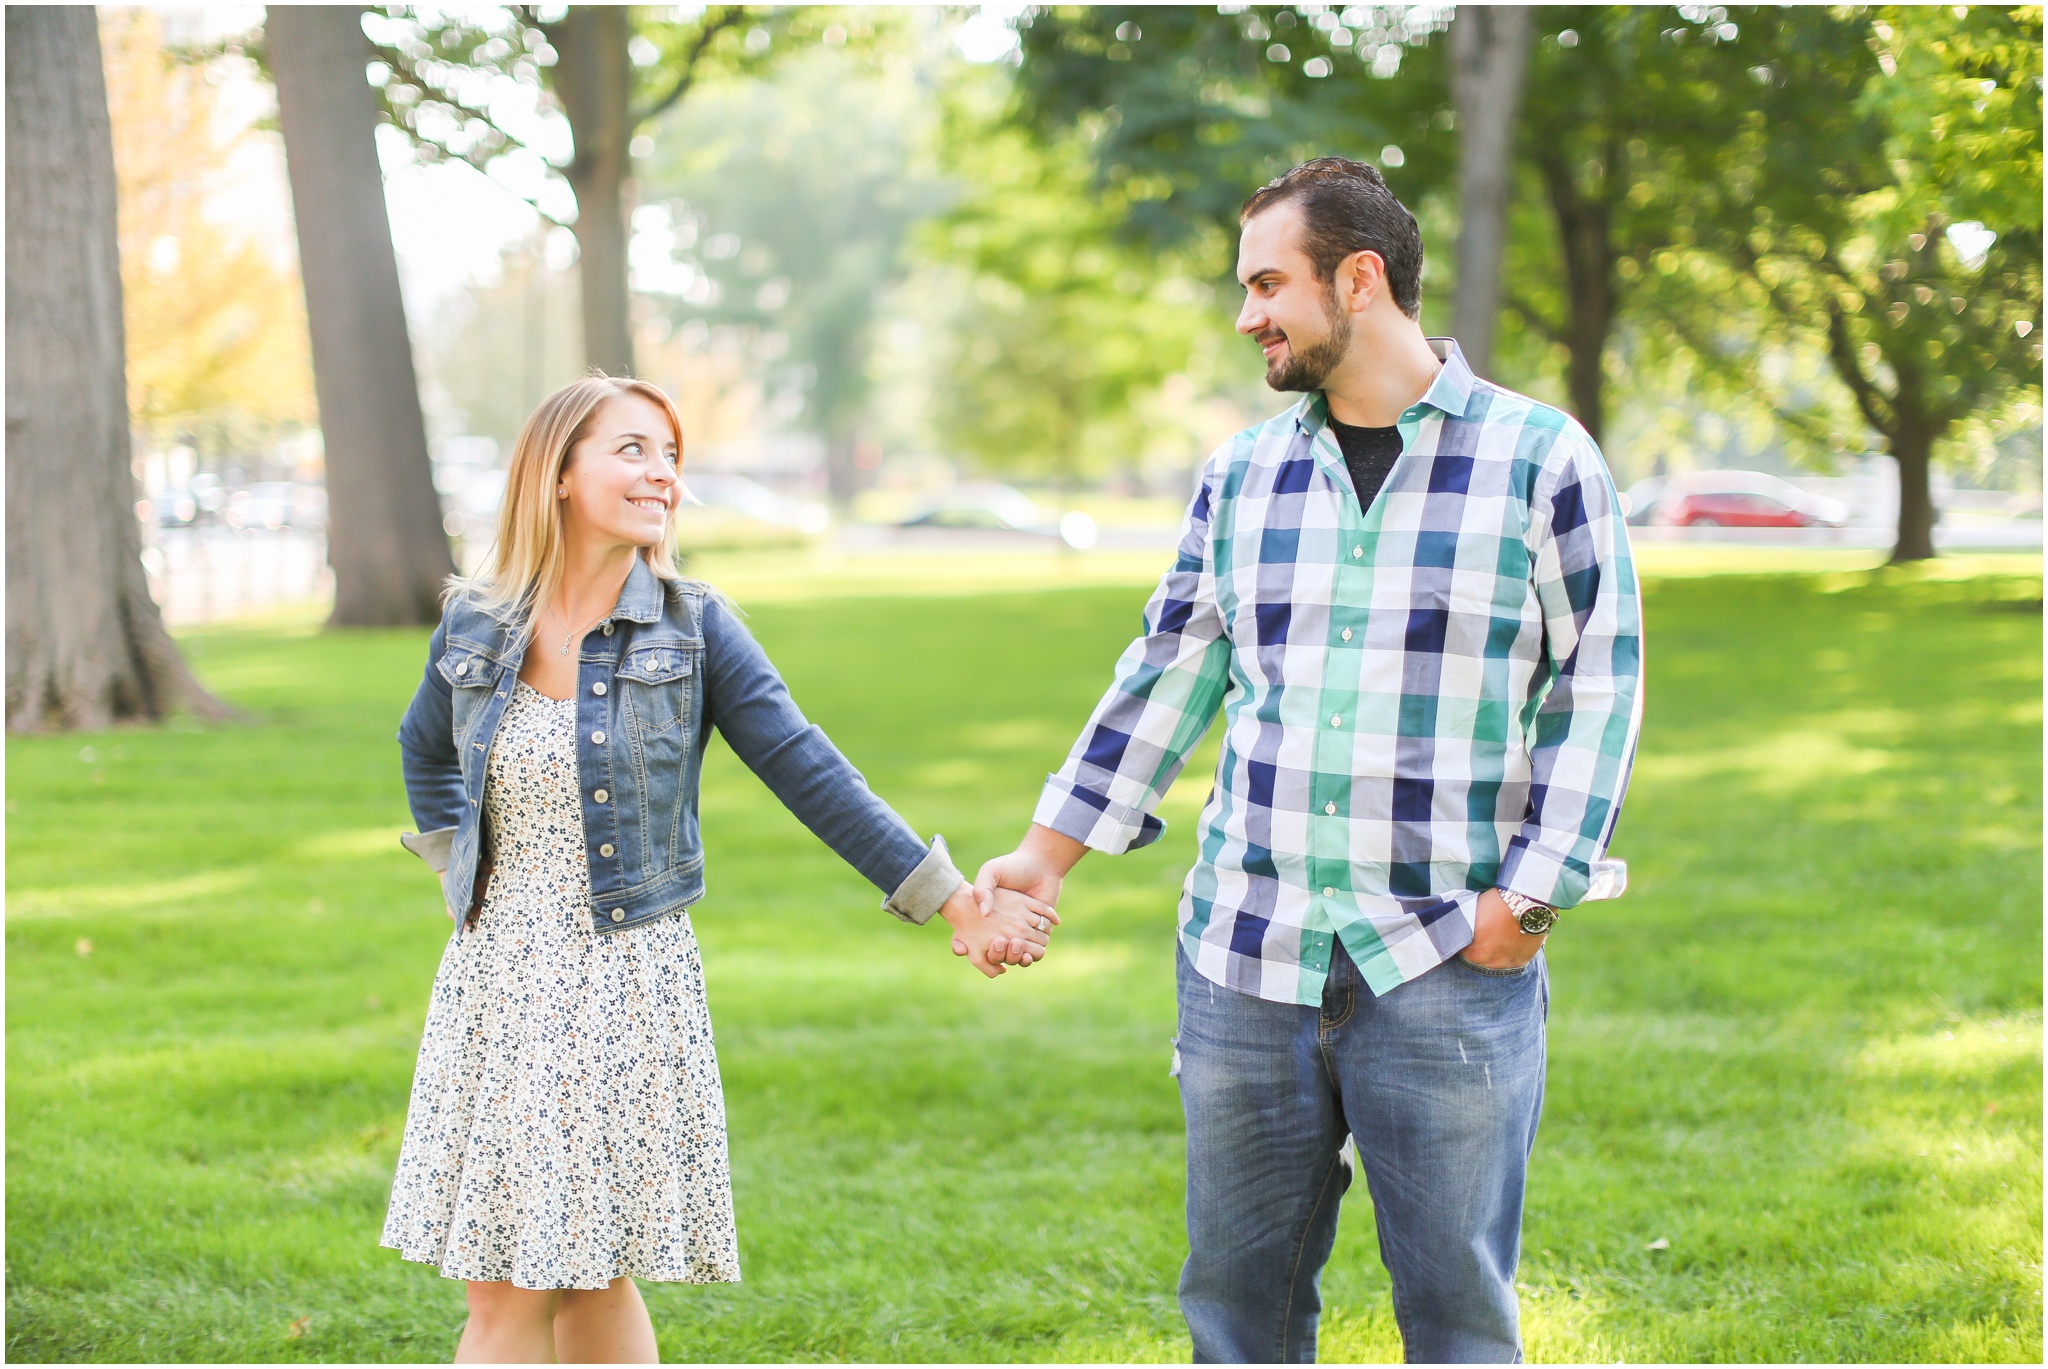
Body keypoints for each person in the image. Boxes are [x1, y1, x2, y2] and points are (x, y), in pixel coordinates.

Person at [975, 158, 1643, 1363]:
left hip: (1446, 956)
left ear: (1360, 277)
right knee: (1236, 1317)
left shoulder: (1541, 460)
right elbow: (1166, 672)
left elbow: (1599, 686)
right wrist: (1044, 853)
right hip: (1244, 955)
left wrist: (1529, 902)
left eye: (1265, 283)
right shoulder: (1242, 474)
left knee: (1457, 1321)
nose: (1246, 316)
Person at [382, 375, 1057, 1363]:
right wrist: (463, 877)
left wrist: (954, 902)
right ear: (558, 472)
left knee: (581, 1279)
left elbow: (809, 769)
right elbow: (424, 750)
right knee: (519, 1287)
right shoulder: (475, 624)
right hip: (496, 979)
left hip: (622, 977)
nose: (661, 475)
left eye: (669, 456)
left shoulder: (693, 629)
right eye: (631, 450)